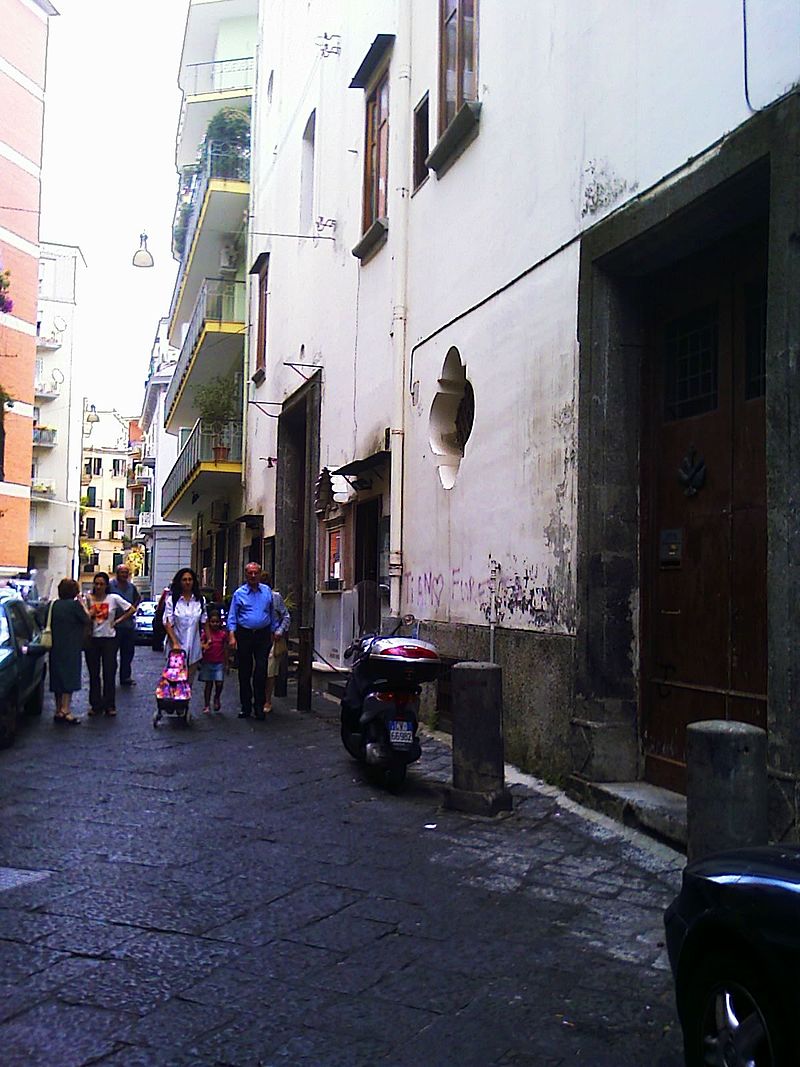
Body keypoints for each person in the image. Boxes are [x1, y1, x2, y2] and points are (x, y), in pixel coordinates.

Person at [227, 562, 277, 720]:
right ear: (246, 575)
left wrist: (274, 631)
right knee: (244, 671)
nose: (253, 576)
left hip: (262, 634)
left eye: (256, 573)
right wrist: (232, 635)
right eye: (250, 573)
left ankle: (259, 706)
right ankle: (246, 706)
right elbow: (232, 616)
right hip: (245, 634)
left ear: (260, 574)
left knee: (261, 670)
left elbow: (272, 613)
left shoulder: (267, 591)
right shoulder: (239, 593)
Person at [84, 571, 136, 717]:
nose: (99, 586)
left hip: (109, 639)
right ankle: (95, 705)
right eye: (96, 583)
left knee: (109, 672)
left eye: (101, 584)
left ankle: (109, 704)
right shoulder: (88, 598)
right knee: (94, 674)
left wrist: (118, 621)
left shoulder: (113, 598)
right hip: (92, 639)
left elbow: (131, 608)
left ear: (106, 585)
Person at [48, 578, 91, 725]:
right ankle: (66, 710)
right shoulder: (74, 606)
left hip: (55, 645)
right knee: (69, 677)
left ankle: (58, 709)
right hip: (71, 645)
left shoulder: (53, 605)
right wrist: (83, 604)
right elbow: (87, 618)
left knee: (57, 677)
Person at [163, 568, 206, 684]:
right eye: (184, 580)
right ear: (180, 582)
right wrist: (175, 643)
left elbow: (204, 621)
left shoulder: (200, 600)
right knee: (175, 682)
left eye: (190, 579)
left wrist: (207, 640)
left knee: (188, 684)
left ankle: (186, 702)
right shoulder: (172, 600)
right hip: (176, 649)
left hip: (194, 648)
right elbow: (168, 623)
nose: (187, 582)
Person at [109, 563, 141, 686]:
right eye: (122, 572)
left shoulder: (131, 587)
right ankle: (110, 676)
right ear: (117, 573)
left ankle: (125, 677)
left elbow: (137, 598)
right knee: (111, 654)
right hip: (113, 625)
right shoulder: (110, 585)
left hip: (128, 625)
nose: (124, 575)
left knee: (127, 653)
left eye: (126, 573)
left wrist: (133, 607)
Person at [263, 579, 291, 715]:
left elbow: (286, 615)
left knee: (270, 671)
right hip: (255, 638)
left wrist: (280, 631)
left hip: (272, 638)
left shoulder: (275, 597)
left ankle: (267, 700)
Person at [199, 608, 228, 714]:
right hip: (207, 661)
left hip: (219, 662)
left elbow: (225, 648)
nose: (214, 624)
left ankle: (217, 697)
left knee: (219, 683)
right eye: (212, 622)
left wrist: (227, 663)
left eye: (217, 622)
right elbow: (201, 644)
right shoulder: (206, 634)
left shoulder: (223, 634)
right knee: (208, 684)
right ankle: (206, 704)